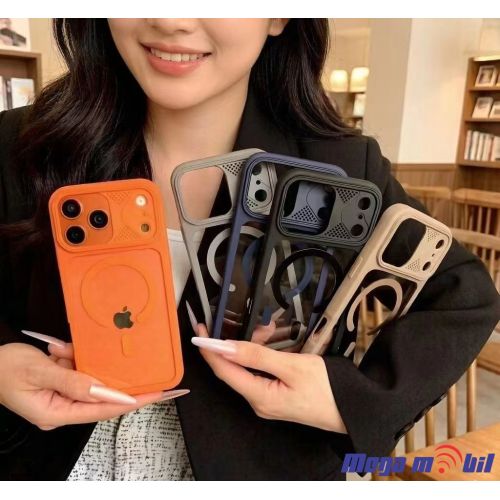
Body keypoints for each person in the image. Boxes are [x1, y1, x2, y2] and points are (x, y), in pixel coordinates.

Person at [0, 18, 499, 481]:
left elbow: (465, 295)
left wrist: (350, 399)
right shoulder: (20, 143)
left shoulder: (342, 164)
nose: (172, 19)